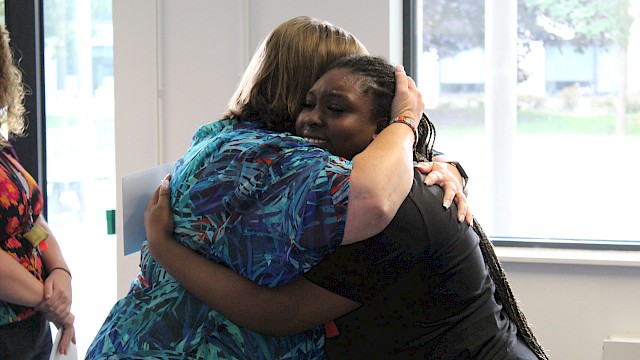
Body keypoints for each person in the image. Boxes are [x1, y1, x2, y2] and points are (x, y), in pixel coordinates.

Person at [86, 16, 466, 360]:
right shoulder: (276, 160)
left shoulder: (225, 139)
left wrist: (448, 168)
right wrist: (404, 121)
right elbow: (372, 197)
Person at [145, 55, 548, 359]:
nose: (310, 120)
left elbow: (274, 312)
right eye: (308, 104)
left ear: (382, 128)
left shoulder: (395, 211)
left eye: (336, 109)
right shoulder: (346, 180)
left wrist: (163, 247)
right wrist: (450, 164)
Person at [0, 23, 76, 359]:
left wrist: (60, 271)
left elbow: (31, 225)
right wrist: (51, 301)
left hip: (32, 326)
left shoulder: (1, 147)